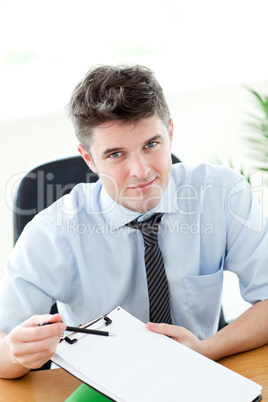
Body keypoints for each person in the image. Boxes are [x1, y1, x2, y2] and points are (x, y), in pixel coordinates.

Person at [0, 64, 268, 379]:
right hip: (99, 386)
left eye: (150, 145)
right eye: (116, 154)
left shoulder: (222, 194)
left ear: (169, 132)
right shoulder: (53, 233)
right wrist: (17, 355)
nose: (140, 171)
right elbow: (4, 346)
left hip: (198, 375)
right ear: (89, 158)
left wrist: (207, 348)